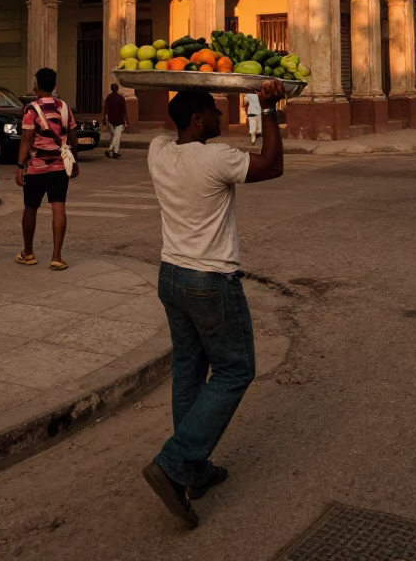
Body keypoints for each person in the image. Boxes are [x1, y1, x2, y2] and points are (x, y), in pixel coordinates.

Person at [142, 78, 286, 529]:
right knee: (235, 370)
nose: (224, 118)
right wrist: (269, 109)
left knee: (188, 369)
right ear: (197, 119)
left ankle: (196, 470)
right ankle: (175, 462)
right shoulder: (216, 157)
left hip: (171, 277)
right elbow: (272, 165)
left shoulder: (158, 151)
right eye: (215, 111)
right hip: (210, 280)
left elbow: (169, 128)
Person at [15, 67, 79, 270]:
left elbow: (26, 139)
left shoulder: (31, 109)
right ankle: (57, 257)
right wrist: (74, 161)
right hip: (59, 167)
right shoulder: (63, 107)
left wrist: (19, 166)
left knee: (30, 207)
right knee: (58, 207)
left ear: (36, 85)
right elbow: (73, 136)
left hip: (36, 167)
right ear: (54, 85)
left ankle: (28, 253)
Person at [102, 82, 128, 158]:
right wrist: (125, 120)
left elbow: (105, 109)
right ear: (117, 89)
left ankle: (112, 151)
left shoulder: (109, 97)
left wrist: (105, 117)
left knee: (113, 136)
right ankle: (113, 151)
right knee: (117, 137)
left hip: (111, 119)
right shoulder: (121, 98)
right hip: (119, 120)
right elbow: (124, 110)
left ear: (111, 89)